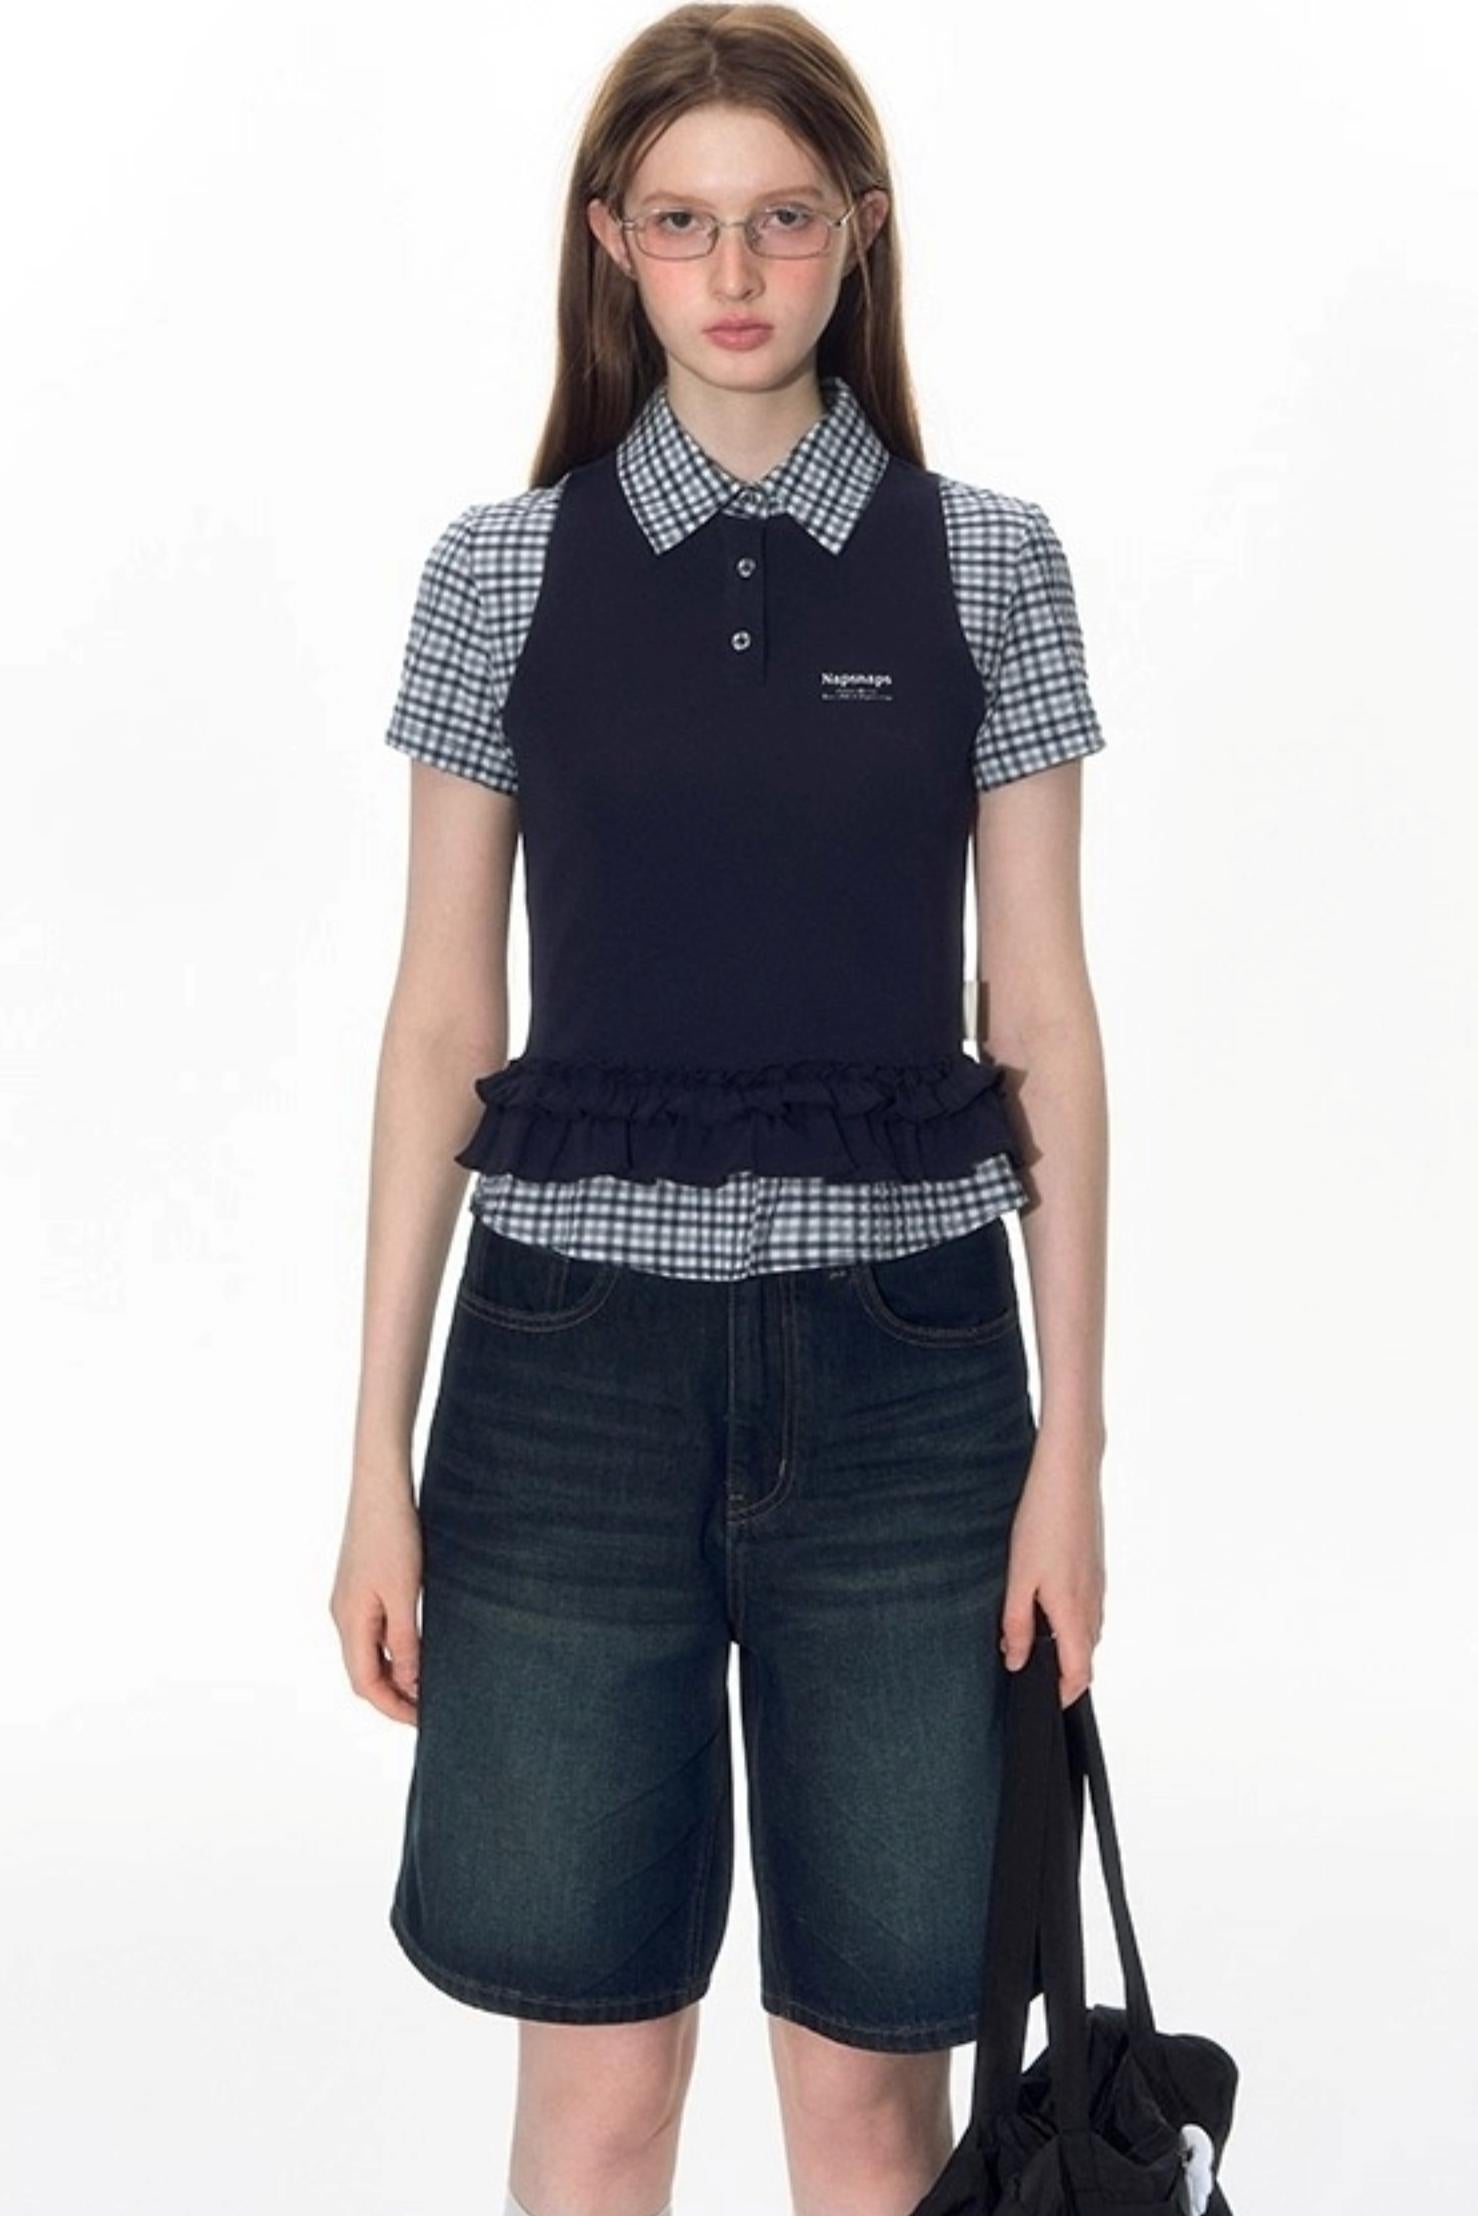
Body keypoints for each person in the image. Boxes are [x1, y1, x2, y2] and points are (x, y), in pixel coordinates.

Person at [330, 8, 1110, 2213]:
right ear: (613, 246)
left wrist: (1071, 1448)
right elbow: (436, 1022)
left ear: (859, 229)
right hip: (563, 1386)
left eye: (779, 218)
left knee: (871, 2090)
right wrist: (374, 1459)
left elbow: (1043, 1016)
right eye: (681, 224)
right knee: (598, 2084)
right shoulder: (501, 570)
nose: (735, 269)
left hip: (912, 1389)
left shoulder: (987, 561)